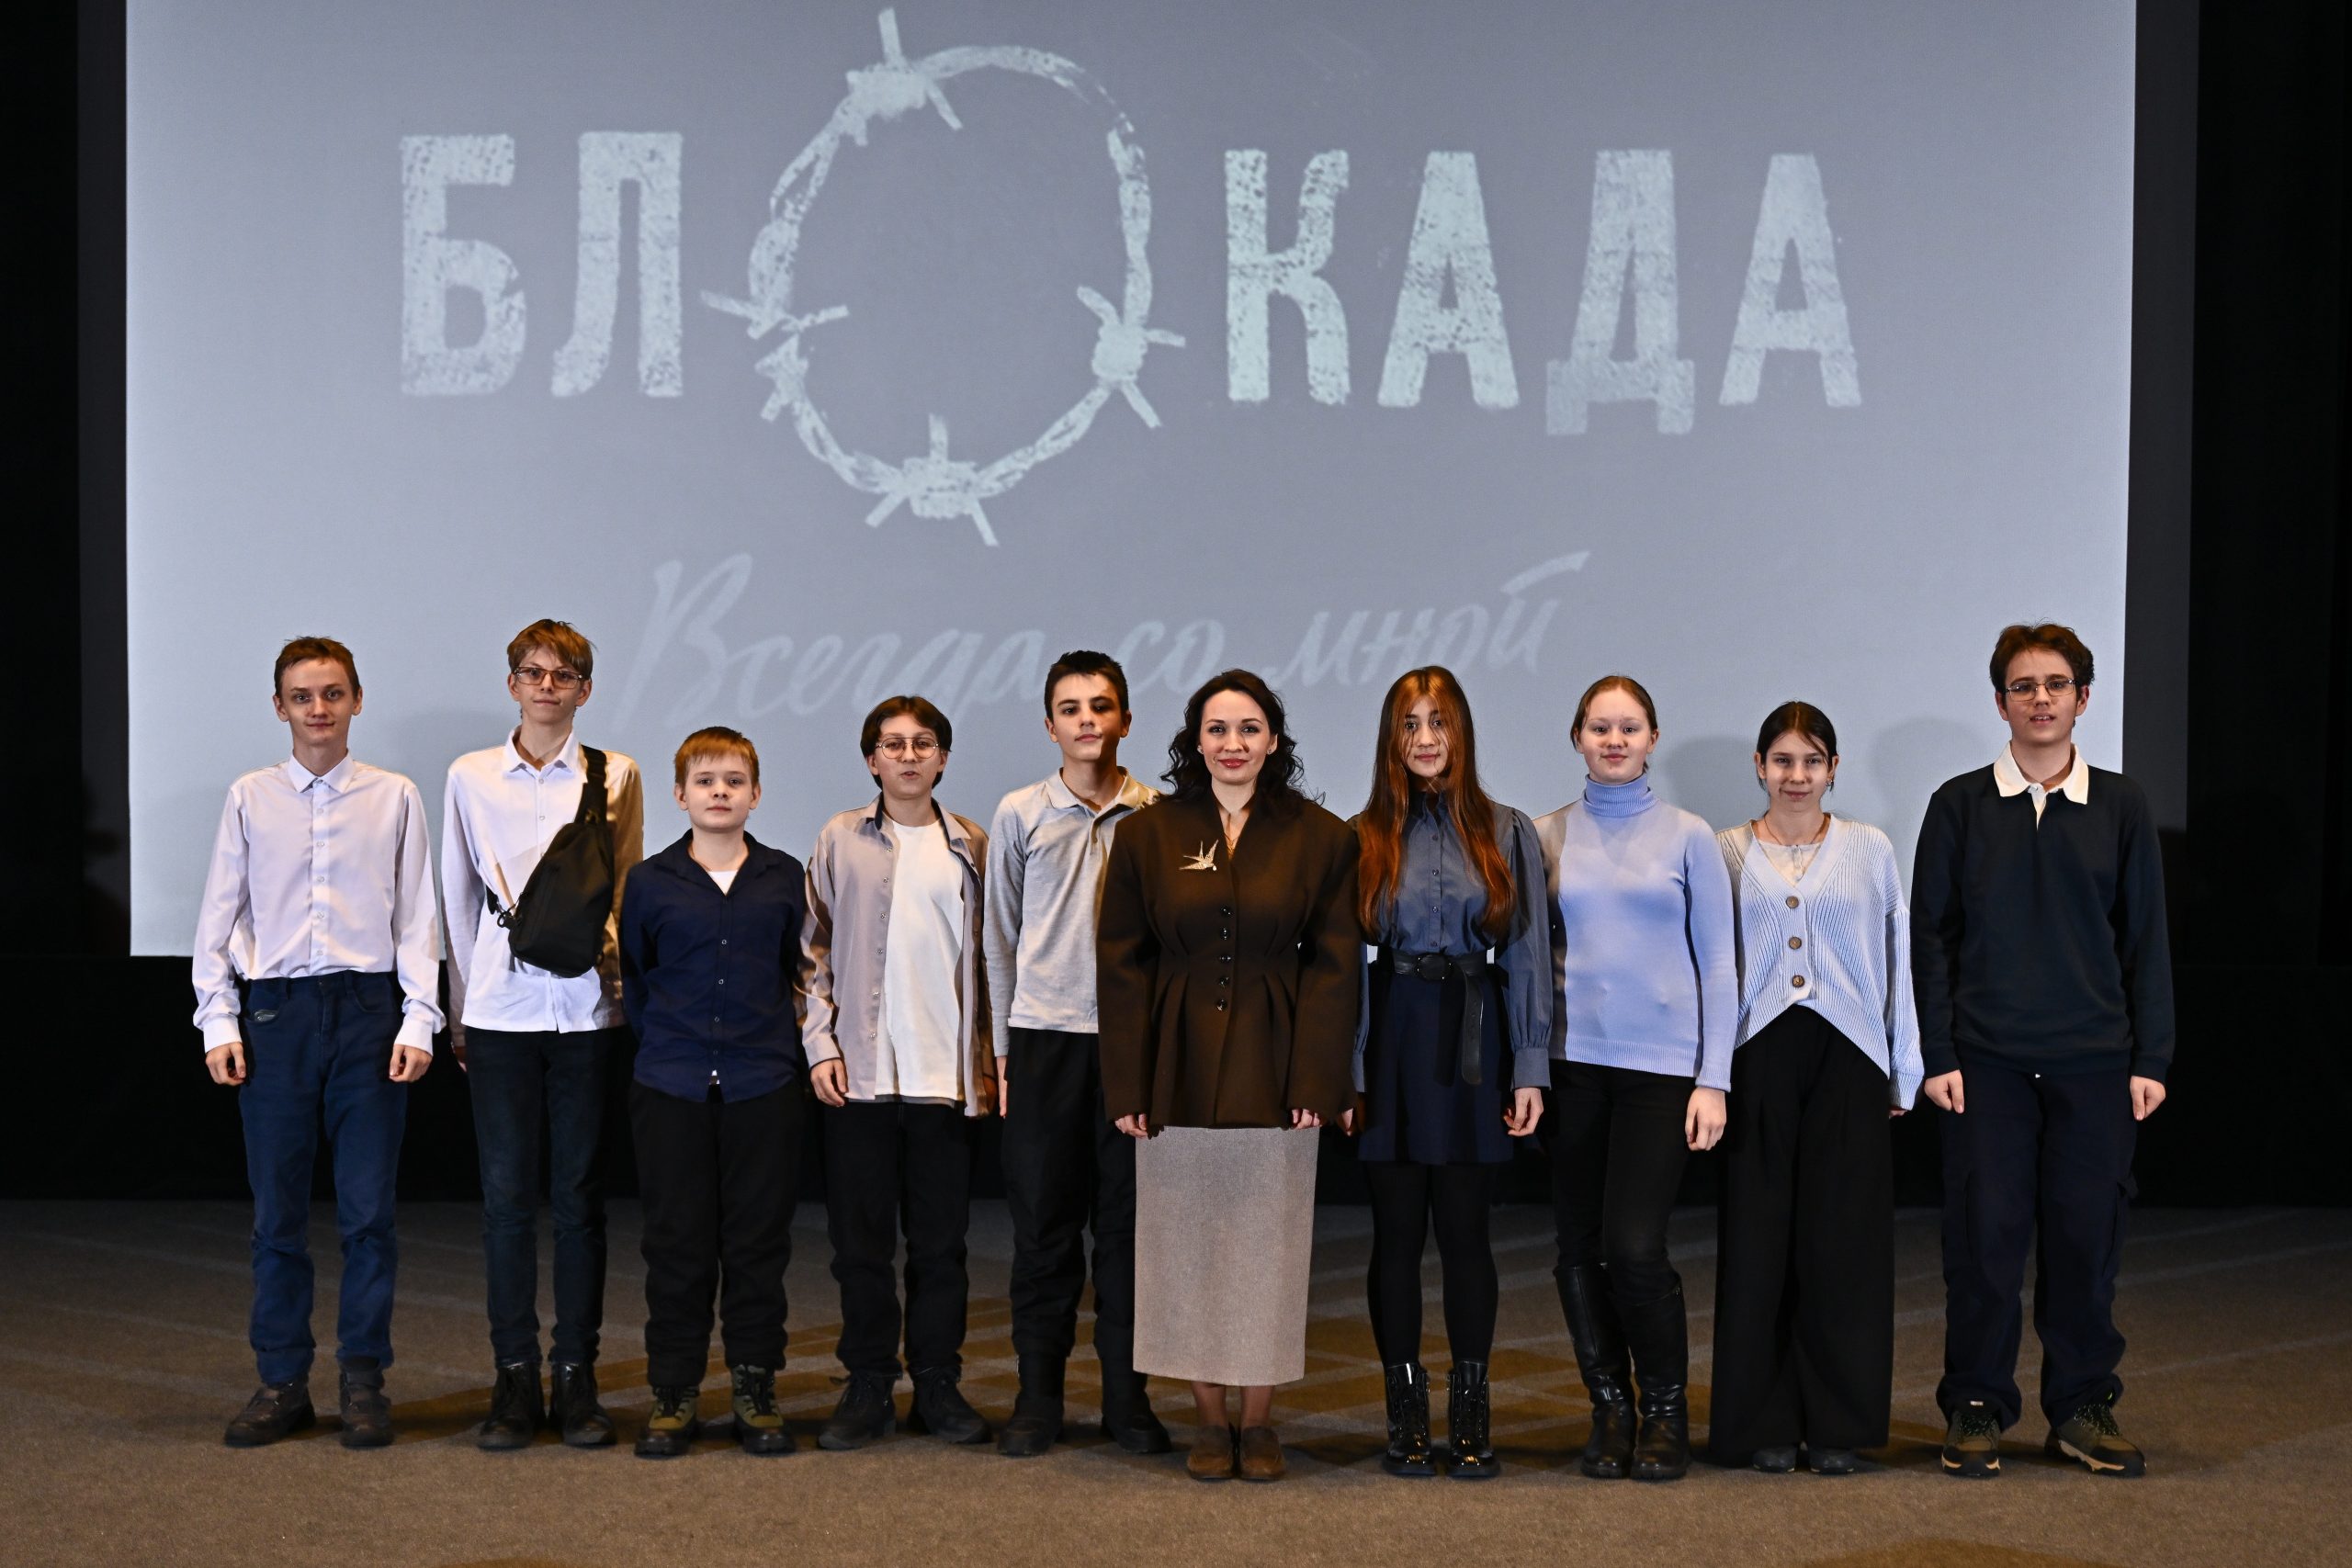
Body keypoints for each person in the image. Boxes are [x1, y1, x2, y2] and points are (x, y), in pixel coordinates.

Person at [1914, 624, 2174, 1480]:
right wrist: (1938, 1053)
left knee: (2084, 1242)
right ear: (2000, 703)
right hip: (1984, 1063)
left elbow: (2146, 940)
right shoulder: (1958, 804)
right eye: (2023, 686)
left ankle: (2081, 1407)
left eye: (2056, 684)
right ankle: (1976, 1405)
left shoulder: (2122, 805)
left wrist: (2152, 1058)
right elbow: (1931, 939)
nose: (2040, 699)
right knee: (1983, 1242)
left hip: (2095, 1062)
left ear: (2083, 698)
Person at [1096, 669, 1362, 1483]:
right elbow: (1122, 964)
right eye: (1217, 729)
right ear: (1195, 740)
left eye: (1249, 728)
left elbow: (1336, 966)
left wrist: (1319, 1080)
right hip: (1173, 1067)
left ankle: (1259, 1418)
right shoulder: (1147, 833)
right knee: (1185, 1249)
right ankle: (1209, 1419)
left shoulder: (1322, 836)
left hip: (1280, 1067)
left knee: (1265, 1251)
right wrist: (1128, 1086)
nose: (1233, 743)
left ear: (1273, 739)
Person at [193, 637, 441, 1449]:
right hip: (277, 1016)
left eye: (333, 693)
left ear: (357, 700)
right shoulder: (249, 796)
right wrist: (218, 1018)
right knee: (278, 1216)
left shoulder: (394, 795)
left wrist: (419, 1016)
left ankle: (363, 1378)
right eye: (302, 696)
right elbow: (220, 914)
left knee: (369, 1214)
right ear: (280, 707)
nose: (319, 709)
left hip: (369, 1011)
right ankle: (282, 1381)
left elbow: (417, 914)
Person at [441, 618, 645, 1450]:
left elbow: (625, 887)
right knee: (504, 1202)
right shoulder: (469, 775)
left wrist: (617, 988)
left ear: (585, 689)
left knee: (580, 1200)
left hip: (586, 1013)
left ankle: (577, 1376)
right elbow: (456, 896)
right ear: (513, 684)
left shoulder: (615, 772)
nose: (548, 686)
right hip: (498, 1013)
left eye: (564, 675)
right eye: (533, 672)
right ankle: (514, 1376)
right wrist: (461, 1009)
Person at [1708, 702, 1922, 1475]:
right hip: (1756, 1054)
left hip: (1851, 1054)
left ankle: (1839, 1422)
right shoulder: (1725, 851)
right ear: (1760, 766)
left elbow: (1897, 954)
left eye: (1812, 760)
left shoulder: (1869, 848)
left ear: (1833, 768)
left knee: (1844, 1244)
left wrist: (1904, 1063)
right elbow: (1710, 963)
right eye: (1782, 760)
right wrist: (1708, 1072)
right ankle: (1761, 1419)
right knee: (1757, 1241)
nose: (1796, 775)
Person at [1347, 667, 1550, 1479]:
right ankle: (1405, 1416)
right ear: (1390, 738)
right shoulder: (1359, 834)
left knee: (1467, 1234)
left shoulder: (1508, 830)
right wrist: (1348, 1073)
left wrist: (1529, 1065)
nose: (1426, 738)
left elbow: (1527, 954)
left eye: (1439, 721)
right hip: (1391, 1036)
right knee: (1396, 1234)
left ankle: (1470, 1414)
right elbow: (1342, 965)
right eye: (1410, 723)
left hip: (1475, 1035)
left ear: (1461, 730)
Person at [1534, 674, 1735, 1483]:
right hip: (1571, 1068)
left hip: (1663, 1074)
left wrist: (1713, 1077)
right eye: (1599, 727)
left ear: (1652, 737)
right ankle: (1610, 1408)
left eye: (1629, 727)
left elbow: (1719, 963)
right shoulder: (1543, 835)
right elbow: (1528, 965)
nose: (1614, 740)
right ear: (1577, 737)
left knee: (1635, 1246)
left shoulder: (1691, 835)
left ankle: (1664, 1411)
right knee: (1578, 1248)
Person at [983, 651, 1168, 1457]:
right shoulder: (1021, 813)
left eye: (1101, 705)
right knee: (1043, 1229)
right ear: (1050, 724)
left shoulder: (1157, 814)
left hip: (1133, 1050)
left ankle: (1128, 1399)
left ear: (1125, 719)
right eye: (1071, 707)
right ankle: (1038, 1397)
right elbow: (998, 940)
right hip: (1042, 1042)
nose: (1087, 719)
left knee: (1128, 1234)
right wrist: (1001, 1051)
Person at [802, 695, 995, 1450]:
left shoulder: (972, 844)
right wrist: (821, 1044)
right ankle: (869, 1382)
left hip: (944, 1076)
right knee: (861, 1245)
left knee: (942, 1246)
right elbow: (811, 950)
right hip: (860, 1076)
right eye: (893, 744)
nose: (908, 755)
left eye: (923, 743)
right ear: (872, 759)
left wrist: (989, 1060)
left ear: (943, 758)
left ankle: (938, 1382)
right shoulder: (839, 837)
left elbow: (991, 958)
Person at [616, 727, 809, 1458]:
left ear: (756, 794)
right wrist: (676, 1047)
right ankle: (674, 1391)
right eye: (705, 780)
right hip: (672, 1085)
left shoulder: (785, 876)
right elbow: (638, 977)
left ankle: (756, 1388)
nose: (720, 791)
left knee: (758, 1243)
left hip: (763, 1084)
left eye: (734, 780)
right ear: (680, 794)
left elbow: (796, 969)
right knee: (676, 1244)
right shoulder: (650, 881)